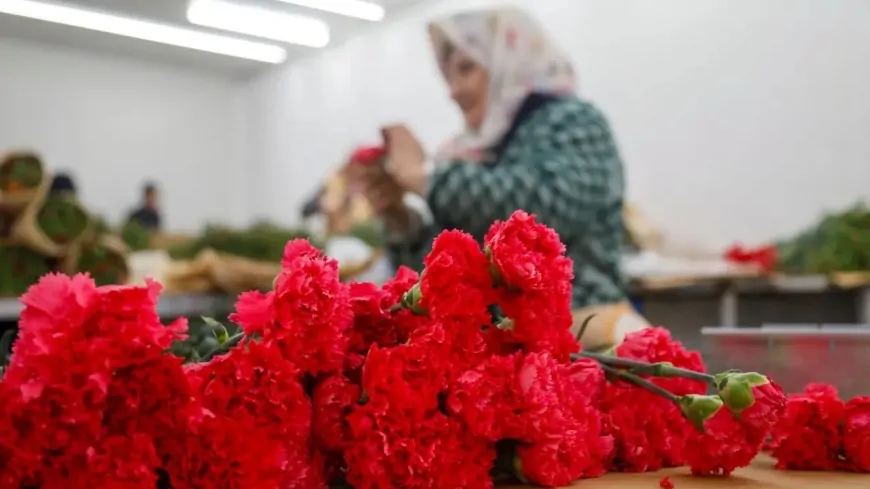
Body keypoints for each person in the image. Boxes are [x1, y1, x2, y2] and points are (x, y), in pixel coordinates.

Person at [350, 7, 649, 349]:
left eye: (466, 68)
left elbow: (546, 210)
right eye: (447, 77)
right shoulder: (473, 150)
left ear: (509, 57)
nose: (454, 90)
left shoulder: (575, 121)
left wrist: (425, 175)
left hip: (583, 331)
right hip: (498, 339)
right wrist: (401, 217)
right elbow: (458, 266)